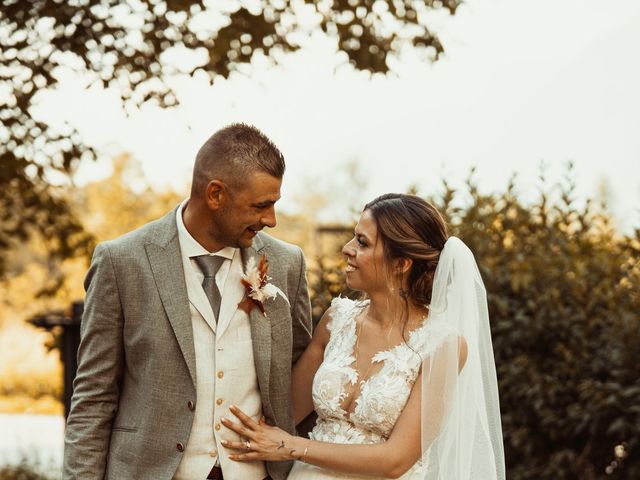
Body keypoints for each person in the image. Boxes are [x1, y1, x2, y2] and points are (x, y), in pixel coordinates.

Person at [63, 123, 313, 480]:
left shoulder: (287, 263)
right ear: (215, 194)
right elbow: (93, 396)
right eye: (261, 205)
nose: (270, 220)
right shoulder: (122, 261)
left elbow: (301, 376)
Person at [221, 193, 505, 479]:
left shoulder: (442, 345)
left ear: (401, 263)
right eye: (354, 238)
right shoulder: (336, 320)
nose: (347, 249)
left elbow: (395, 460)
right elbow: (284, 411)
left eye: (362, 242)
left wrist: (292, 446)